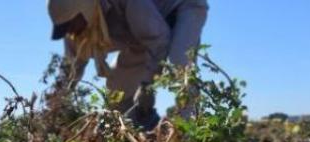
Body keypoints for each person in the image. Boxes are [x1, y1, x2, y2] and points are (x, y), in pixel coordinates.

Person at [47, 0, 209, 130]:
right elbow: (71, 69)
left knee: (179, 65)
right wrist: (55, 107)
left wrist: (147, 87)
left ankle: (185, 136)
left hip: (180, 9)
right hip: (141, 37)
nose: (70, 32)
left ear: (83, 7)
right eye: (65, 28)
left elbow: (159, 40)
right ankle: (138, 131)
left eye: (71, 24)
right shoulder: (77, 33)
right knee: (116, 89)